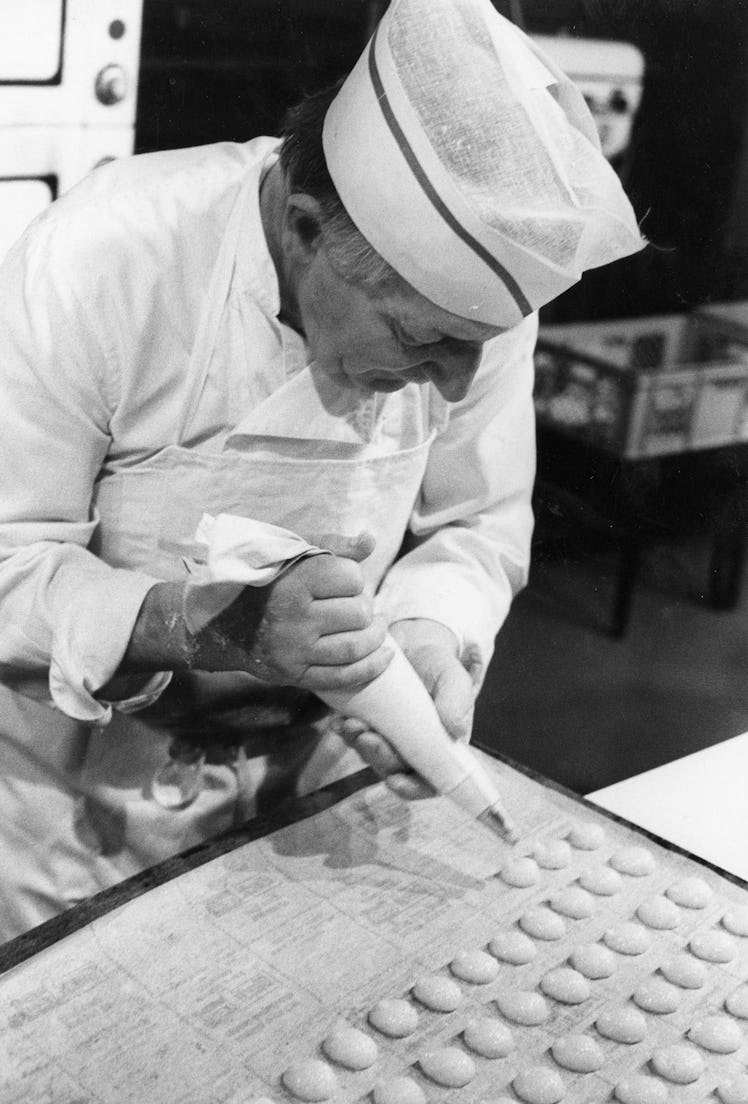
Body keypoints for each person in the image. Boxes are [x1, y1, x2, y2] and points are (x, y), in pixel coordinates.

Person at [0, 0, 644, 941]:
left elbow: (478, 526)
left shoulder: (474, 292)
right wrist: (211, 627)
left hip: (318, 781)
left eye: (477, 347)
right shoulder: (104, 258)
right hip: (80, 801)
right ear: (304, 230)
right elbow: (8, 564)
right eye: (421, 339)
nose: (457, 383)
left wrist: (432, 636)